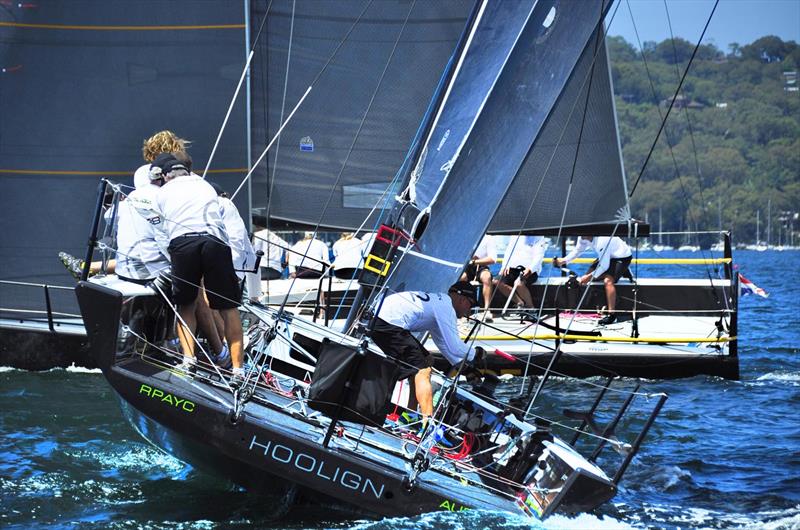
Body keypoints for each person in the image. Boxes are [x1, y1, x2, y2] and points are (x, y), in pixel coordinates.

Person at [152, 153, 244, 382]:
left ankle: (188, 361)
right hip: (215, 243)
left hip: (184, 243)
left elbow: (161, 233)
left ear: (165, 176)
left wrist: (172, 257)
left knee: (186, 305)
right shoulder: (205, 186)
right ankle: (238, 371)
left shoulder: (161, 193)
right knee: (229, 308)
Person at [370, 281, 485, 421]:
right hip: (389, 322)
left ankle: (409, 415)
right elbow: (455, 347)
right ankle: (427, 422)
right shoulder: (446, 308)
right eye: (471, 306)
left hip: (385, 320)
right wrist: (477, 353)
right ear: (462, 299)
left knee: (427, 360)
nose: (469, 311)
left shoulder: (440, 303)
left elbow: (444, 344)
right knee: (423, 370)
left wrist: (465, 369)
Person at [553, 236, 632, 325]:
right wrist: (563, 261)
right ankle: (621, 272)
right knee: (588, 275)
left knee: (607, 281)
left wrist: (589, 277)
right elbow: (577, 251)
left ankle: (611, 315)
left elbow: (604, 266)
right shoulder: (582, 237)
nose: (580, 235)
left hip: (621, 257)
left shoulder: (602, 240)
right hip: (607, 256)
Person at [495, 235, 546, 308]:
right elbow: (508, 252)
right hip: (513, 269)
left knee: (518, 284)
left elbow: (539, 256)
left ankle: (531, 308)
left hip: (530, 270)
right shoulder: (515, 236)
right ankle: (520, 303)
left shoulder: (539, 237)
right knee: (497, 281)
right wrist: (505, 266)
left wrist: (530, 269)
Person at [460, 235, 497, 322]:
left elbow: (493, 259)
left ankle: (487, 310)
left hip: (480, 266)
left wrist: (474, 262)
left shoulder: (489, 238)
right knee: (461, 278)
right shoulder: (465, 236)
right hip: (465, 266)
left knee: (487, 277)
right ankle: (461, 310)